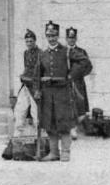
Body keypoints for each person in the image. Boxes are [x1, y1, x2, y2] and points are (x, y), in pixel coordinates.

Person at [35, 21, 91, 162]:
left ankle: (65, 152)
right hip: (47, 93)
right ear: (45, 36)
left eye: (54, 35)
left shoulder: (67, 51)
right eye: (48, 35)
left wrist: (72, 75)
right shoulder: (42, 54)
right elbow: (37, 74)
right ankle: (54, 153)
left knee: (64, 123)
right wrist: (37, 90)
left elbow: (85, 62)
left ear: (58, 36)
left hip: (63, 93)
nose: (51, 38)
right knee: (50, 123)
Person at [66, 27, 93, 140]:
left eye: (73, 38)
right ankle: (69, 128)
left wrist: (78, 75)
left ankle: (75, 129)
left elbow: (89, 67)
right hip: (66, 83)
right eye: (69, 38)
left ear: (76, 38)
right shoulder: (63, 51)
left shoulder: (81, 51)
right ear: (66, 38)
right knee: (67, 104)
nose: (71, 40)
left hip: (78, 83)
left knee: (79, 104)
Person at [13, 29, 41, 138]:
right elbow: (27, 68)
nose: (29, 43)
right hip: (25, 85)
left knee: (36, 111)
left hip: (35, 86)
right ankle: (17, 134)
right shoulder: (26, 53)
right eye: (27, 41)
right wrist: (23, 75)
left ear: (35, 41)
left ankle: (37, 135)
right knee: (20, 109)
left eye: (31, 41)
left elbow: (39, 71)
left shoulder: (40, 53)